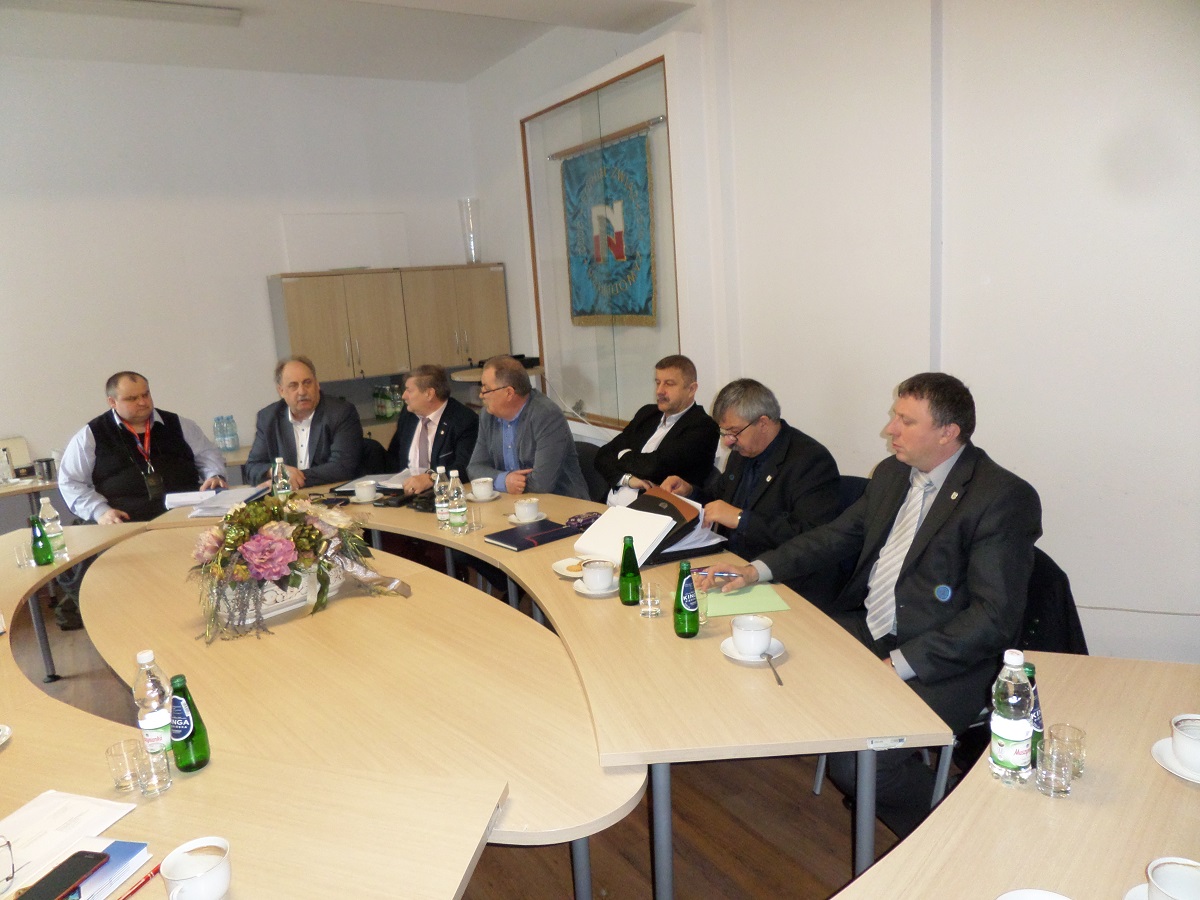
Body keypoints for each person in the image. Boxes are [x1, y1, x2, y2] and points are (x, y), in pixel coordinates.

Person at [700, 372, 1042, 838]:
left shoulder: (1001, 497)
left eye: (906, 421)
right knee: (771, 649)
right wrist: (756, 570)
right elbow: (833, 537)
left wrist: (899, 664)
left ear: (948, 432)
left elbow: (993, 618)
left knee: (862, 766)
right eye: (894, 417)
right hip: (876, 627)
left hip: (948, 657)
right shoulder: (893, 475)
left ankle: (954, 833)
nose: (890, 430)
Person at [56, 370, 227, 628]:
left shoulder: (179, 424)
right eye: (132, 398)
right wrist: (100, 511)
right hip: (128, 523)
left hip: (182, 517)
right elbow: (70, 481)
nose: (143, 402)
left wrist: (214, 475)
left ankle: (206, 608)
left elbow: (208, 454)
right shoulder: (91, 435)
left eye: (146, 394)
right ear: (112, 402)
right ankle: (131, 622)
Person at [661, 378, 841, 605]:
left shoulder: (810, 461)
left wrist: (741, 519)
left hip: (784, 579)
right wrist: (690, 492)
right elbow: (718, 500)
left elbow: (811, 538)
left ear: (763, 423)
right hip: (733, 567)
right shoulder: (741, 453)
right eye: (724, 432)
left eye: (734, 432)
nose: (728, 442)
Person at [593, 354, 720, 506]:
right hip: (607, 506)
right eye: (658, 382)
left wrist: (622, 454)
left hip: (655, 513)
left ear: (691, 389)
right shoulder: (647, 414)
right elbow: (603, 456)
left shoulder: (703, 427)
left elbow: (653, 467)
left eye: (669, 384)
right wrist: (628, 479)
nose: (659, 391)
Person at [468, 355, 589, 500]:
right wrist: (504, 480)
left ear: (509, 393)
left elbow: (542, 484)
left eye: (486, 389)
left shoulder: (546, 415)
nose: (481, 395)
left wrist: (508, 483)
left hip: (561, 502)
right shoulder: (488, 416)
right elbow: (474, 468)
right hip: (513, 502)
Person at [244, 356, 363, 488]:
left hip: (328, 494)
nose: (302, 391)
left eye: (307, 383)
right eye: (293, 385)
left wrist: (287, 479)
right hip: (288, 498)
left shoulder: (341, 413)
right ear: (281, 391)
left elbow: (342, 467)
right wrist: (276, 472)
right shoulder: (268, 418)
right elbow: (252, 468)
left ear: (317, 384)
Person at [385, 364, 478, 495]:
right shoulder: (409, 415)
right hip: (405, 492)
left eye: (409, 391)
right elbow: (394, 457)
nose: (404, 396)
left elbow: (465, 467)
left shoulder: (463, 420)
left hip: (444, 494)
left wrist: (431, 478)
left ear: (429, 394)